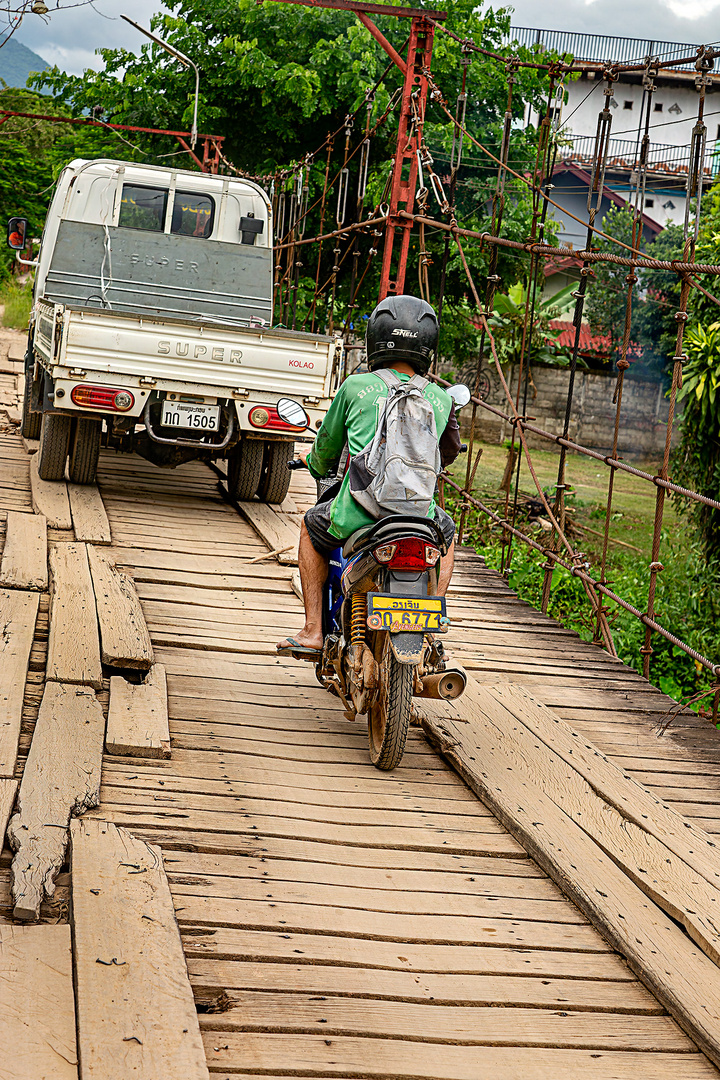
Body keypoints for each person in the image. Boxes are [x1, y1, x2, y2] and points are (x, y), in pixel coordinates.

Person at [277, 294, 462, 657]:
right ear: (429, 345)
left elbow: (326, 451)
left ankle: (314, 630)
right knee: (448, 536)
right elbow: (450, 452)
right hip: (418, 516)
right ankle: (430, 625)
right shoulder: (440, 398)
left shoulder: (355, 387)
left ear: (375, 337)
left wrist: (311, 462)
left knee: (310, 529)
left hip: (360, 512)